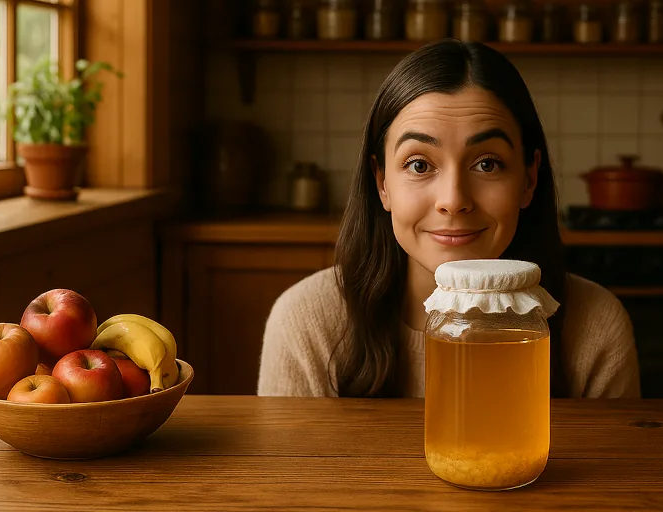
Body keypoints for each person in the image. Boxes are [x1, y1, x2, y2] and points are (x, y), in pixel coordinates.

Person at [258, 39, 639, 399]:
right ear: (382, 182)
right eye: (419, 164)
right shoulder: (307, 323)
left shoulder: (595, 327)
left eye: (487, 164)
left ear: (529, 179)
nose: (453, 200)